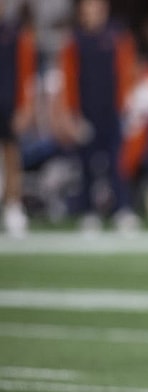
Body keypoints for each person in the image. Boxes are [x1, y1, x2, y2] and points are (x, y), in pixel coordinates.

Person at [51, 0, 141, 233]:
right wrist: (71, 114)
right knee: (86, 164)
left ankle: (122, 209)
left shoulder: (117, 37)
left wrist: (127, 105)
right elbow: (69, 78)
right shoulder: (76, 41)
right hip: (86, 111)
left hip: (112, 110)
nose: (91, 15)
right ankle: (89, 212)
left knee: (117, 163)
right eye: (87, 11)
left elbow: (127, 71)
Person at [0, 1, 36, 238]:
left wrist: (25, 106)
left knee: (12, 156)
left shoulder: (14, 33)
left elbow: (25, 72)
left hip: (7, 103)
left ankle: (13, 207)